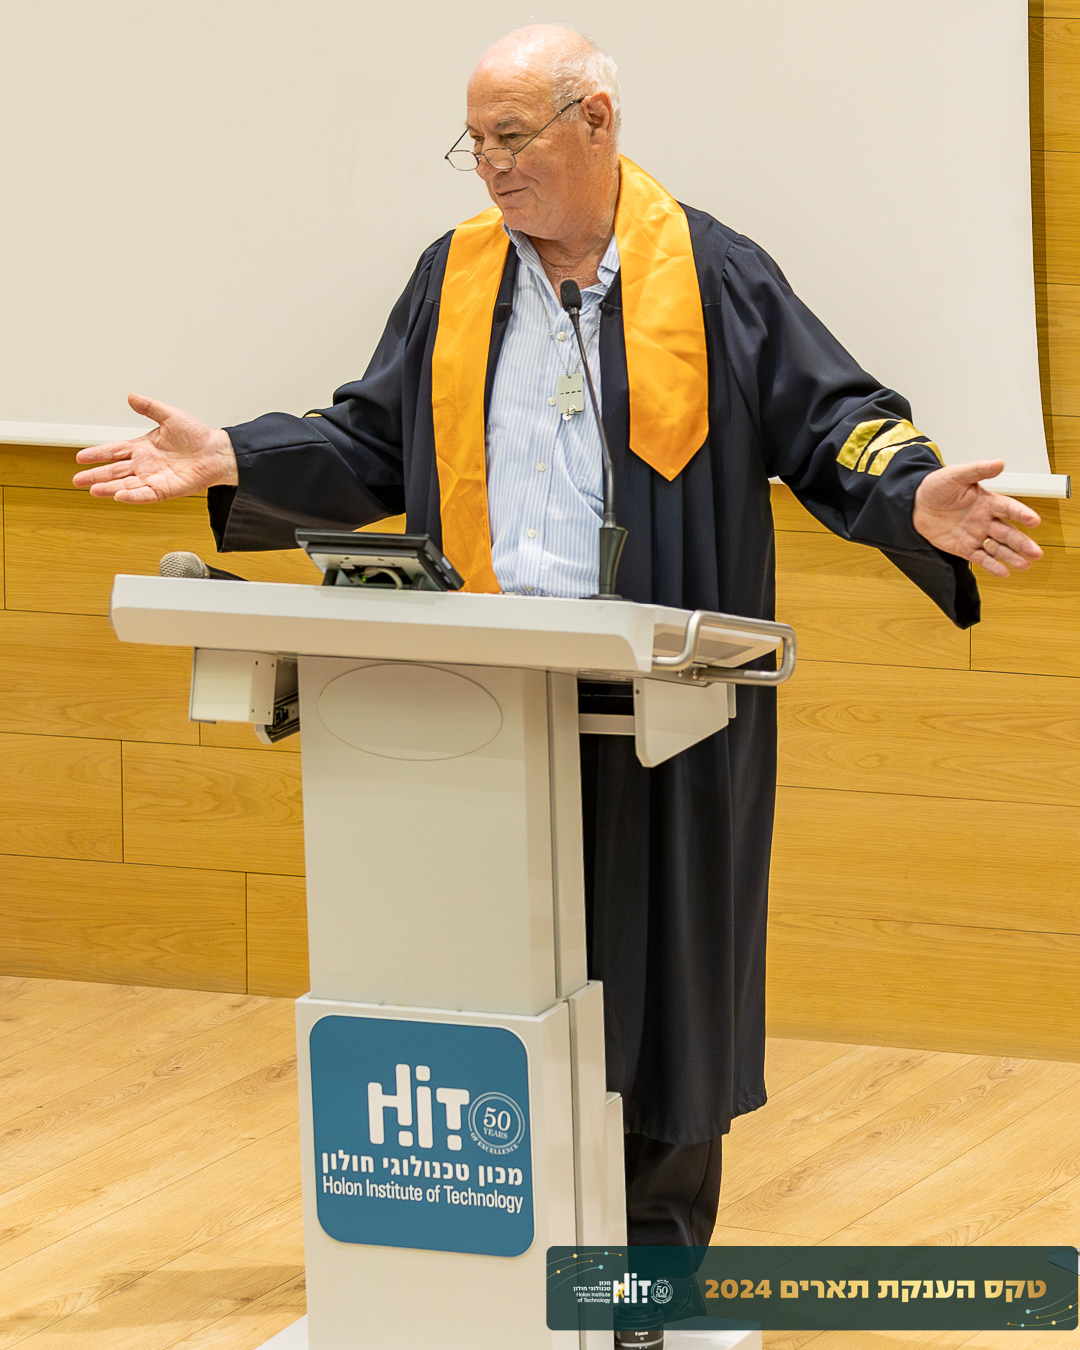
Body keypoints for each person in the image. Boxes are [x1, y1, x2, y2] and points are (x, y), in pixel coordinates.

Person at [73, 24, 1041, 1347]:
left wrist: (909, 490)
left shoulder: (713, 274)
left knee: (663, 985)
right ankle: (485, 1269)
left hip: (658, 706)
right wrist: (234, 455)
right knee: (487, 978)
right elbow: (372, 444)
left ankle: (640, 1284)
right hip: (484, 699)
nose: (490, 168)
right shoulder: (455, 276)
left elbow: (833, 420)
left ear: (596, 123)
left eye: (513, 138)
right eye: (475, 142)